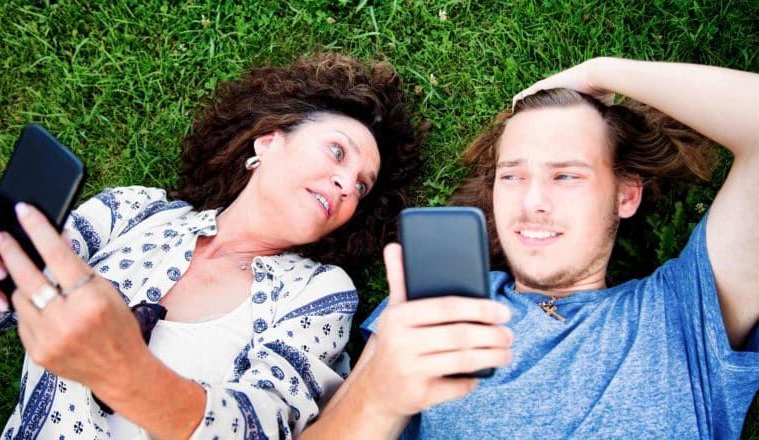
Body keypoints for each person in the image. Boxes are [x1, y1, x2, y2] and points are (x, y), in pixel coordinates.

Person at [302, 57, 759, 439]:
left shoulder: (684, 313)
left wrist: (598, 74)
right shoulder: (442, 303)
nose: (532, 201)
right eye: (513, 175)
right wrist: (380, 394)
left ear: (626, 195)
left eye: (566, 175)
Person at [0, 53, 422, 439]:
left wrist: (125, 375)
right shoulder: (134, 210)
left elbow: (268, 423)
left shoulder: (318, 294)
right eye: (336, 152)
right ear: (268, 142)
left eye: (362, 187)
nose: (347, 183)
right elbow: (10, 293)